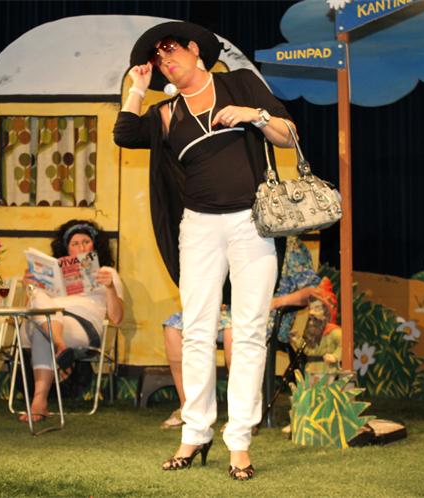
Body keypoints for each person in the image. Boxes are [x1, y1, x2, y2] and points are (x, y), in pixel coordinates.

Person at [114, 21, 297, 480]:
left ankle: (240, 442)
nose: (165, 62)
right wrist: (137, 87)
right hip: (198, 227)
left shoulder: (239, 83)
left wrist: (253, 115)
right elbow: (125, 132)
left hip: (252, 223)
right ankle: (195, 433)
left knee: (249, 330)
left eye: (171, 51)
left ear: (195, 50)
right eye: (158, 60)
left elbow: (288, 134)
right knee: (197, 330)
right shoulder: (166, 111)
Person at [160, 237, 321, 430]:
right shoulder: (236, 237)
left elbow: (314, 291)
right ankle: (188, 408)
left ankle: (241, 416)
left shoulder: (290, 245)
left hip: (268, 312)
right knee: (174, 327)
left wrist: (277, 302)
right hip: (230, 309)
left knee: (234, 332)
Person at [22, 219, 124, 423]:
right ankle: (60, 346)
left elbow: (117, 318)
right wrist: (30, 287)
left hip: (83, 326)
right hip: (50, 322)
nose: (81, 247)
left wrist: (110, 287)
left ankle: (39, 402)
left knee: (42, 329)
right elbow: (29, 309)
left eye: (85, 242)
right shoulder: (52, 275)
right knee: (39, 300)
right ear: (66, 249)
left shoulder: (107, 273)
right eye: (75, 243)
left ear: (95, 245)